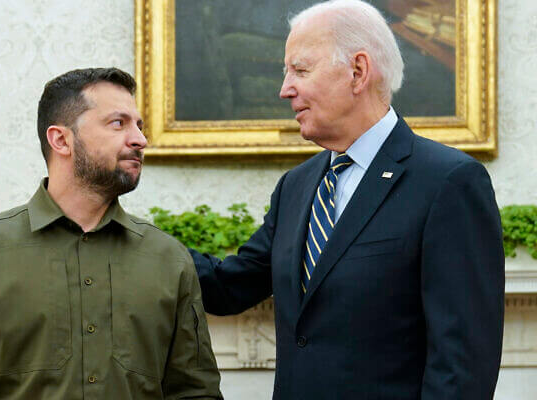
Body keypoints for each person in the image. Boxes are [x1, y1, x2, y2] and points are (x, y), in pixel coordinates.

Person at [190, 1, 505, 399]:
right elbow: (229, 285)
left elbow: (462, 369)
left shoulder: (448, 182)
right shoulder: (297, 186)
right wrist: (124, 235)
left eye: (300, 70)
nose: (285, 89)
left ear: (358, 71)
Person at [0, 67, 222, 399]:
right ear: (61, 139)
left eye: (139, 126)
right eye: (118, 123)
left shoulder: (169, 259)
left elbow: (195, 392)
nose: (140, 140)